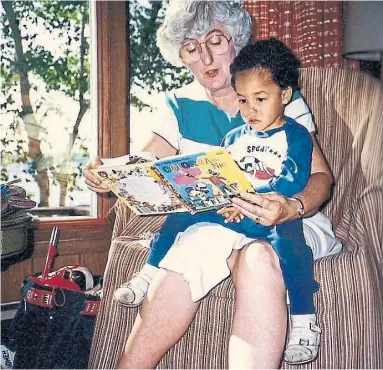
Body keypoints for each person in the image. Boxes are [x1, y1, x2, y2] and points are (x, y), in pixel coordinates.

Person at [83, 1, 341, 367]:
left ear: (235, 41)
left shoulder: (280, 99)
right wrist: (106, 170)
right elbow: (146, 162)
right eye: (191, 48)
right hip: (216, 220)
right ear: (182, 58)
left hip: (288, 216)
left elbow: (320, 176)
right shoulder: (177, 104)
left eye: (215, 41)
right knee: (186, 254)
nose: (205, 57)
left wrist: (291, 206)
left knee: (258, 259)